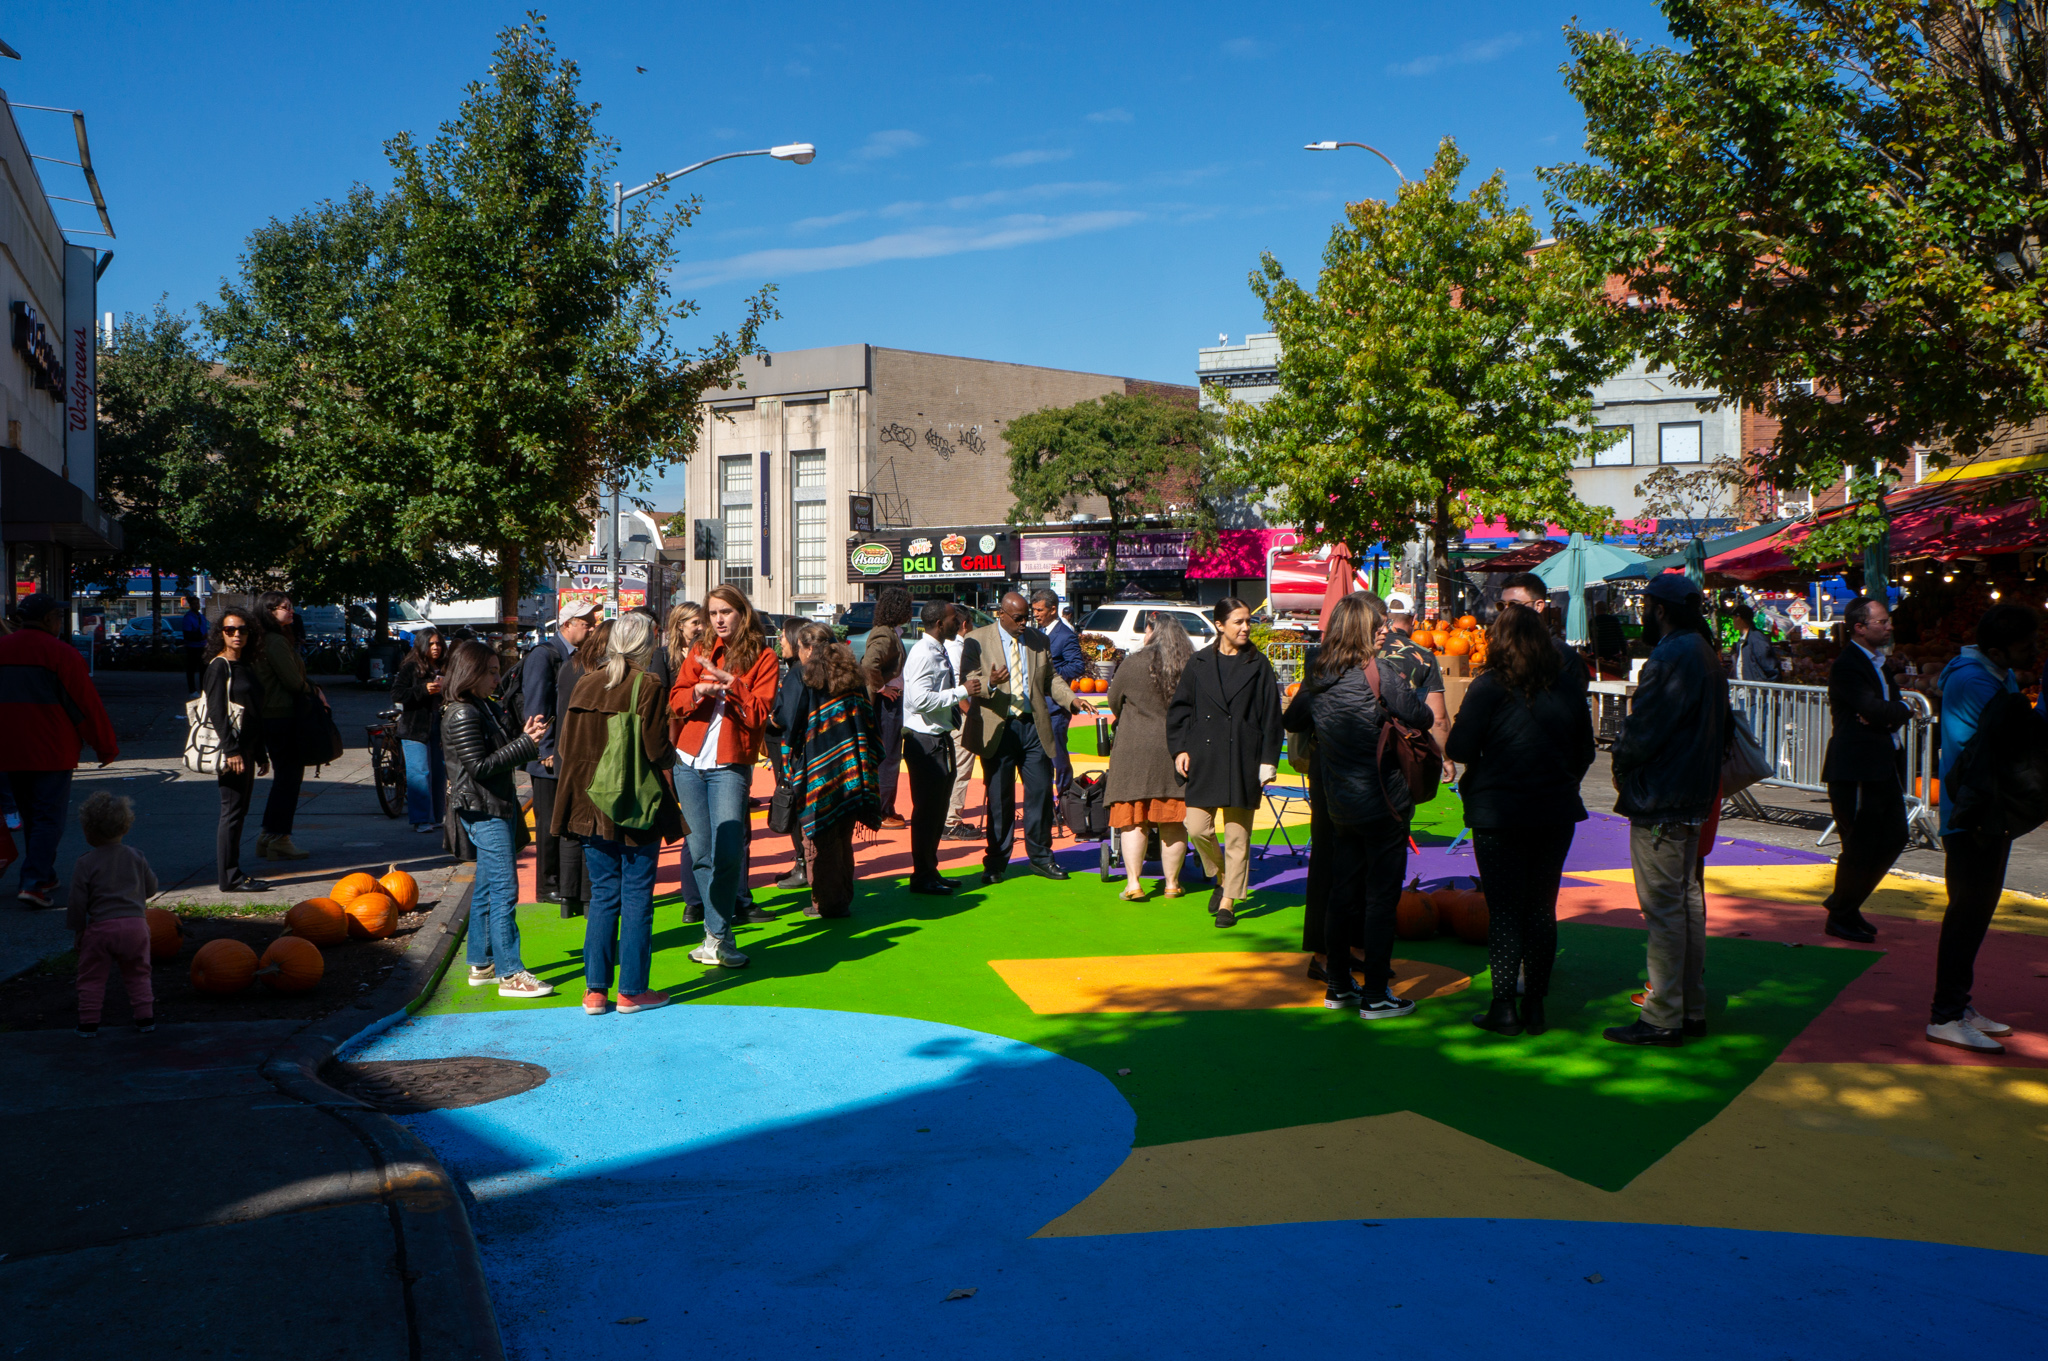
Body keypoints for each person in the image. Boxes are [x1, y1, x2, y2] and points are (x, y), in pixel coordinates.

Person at [1445, 602, 1595, 1036]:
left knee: (1506, 910)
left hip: (1499, 811)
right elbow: (1585, 752)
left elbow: (1459, 749)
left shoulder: (1489, 687)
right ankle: (1536, 1004)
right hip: (1553, 809)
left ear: (1498, 642)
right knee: (1541, 907)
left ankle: (1503, 1004)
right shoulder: (1566, 688)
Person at [1282, 595, 1435, 1015]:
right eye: (1378, 624)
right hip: (1384, 799)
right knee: (1381, 897)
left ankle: (1338, 984)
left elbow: (1293, 721)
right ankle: (1375, 993)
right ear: (1364, 630)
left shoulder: (1318, 674)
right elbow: (1421, 716)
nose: (1384, 630)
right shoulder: (1381, 673)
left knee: (1341, 892)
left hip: (1338, 800)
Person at [1604, 572, 1728, 1046]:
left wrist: (1621, 761)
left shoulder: (1673, 655)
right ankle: (1687, 1006)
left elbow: (1644, 731)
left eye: (1646, 606)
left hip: (1664, 798)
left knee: (1664, 911)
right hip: (1693, 795)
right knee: (1685, 905)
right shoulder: (1703, 651)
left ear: (1658, 608)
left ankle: (1662, 1014)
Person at [554, 611, 686, 1015]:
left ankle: (595, 991)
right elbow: (656, 750)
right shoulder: (648, 684)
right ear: (644, 645)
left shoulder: (586, 681)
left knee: (603, 896)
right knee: (636, 897)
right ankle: (631, 989)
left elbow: (564, 748)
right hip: (631, 805)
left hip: (586, 804)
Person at [1925, 603, 2040, 1053]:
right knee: (1967, 913)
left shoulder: (1990, 673)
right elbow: (2020, 736)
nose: (2033, 651)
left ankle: (1957, 1005)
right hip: (1972, 814)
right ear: (1997, 649)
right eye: (2025, 645)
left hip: (1984, 812)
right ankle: (1945, 1014)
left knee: (1974, 912)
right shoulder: (1976, 679)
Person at [670, 584, 782, 968]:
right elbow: (676, 700)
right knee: (701, 852)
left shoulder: (765, 657)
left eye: (725, 612)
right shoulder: (699, 650)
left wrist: (732, 683)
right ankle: (717, 934)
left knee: (729, 851)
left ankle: (718, 933)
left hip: (730, 764)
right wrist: (698, 690)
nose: (718, 619)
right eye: (713, 612)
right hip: (688, 761)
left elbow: (758, 714)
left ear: (742, 613)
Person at [441, 640, 554, 999]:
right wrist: (526, 744)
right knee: (504, 889)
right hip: (484, 808)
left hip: (491, 805)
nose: (496, 678)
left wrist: (524, 737)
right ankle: (510, 973)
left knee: (490, 887)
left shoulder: (478, 706)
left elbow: (492, 754)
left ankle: (482, 962)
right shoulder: (462, 712)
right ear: (470, 672)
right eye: (490, 671)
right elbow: (480, 766)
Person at [1169, 596, 1283, 928]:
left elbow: (1271, 717)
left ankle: (1229, 902)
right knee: (1197, 827)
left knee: (1237, 837)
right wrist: (1180, 750)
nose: (1246, 627)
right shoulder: (1199, 662)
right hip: (1204, 757)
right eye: (1239, 622)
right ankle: (1220, 874)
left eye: (1249, 621)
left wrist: (1268, 761)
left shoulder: (1258, 664)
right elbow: (1180, 710)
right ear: (1220, 625)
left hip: (1244, 758)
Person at [1, 593, 119, 908]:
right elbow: (85, 706)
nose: (60, 622)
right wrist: (105, 747)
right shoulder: (61, 654)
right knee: (47, 817)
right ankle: (34, 881)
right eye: (59, 617)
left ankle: (44, 873)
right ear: (50, 619)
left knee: (31, 813)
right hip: (51, 748)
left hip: (9, 749)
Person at [961, 590, 1082, 885]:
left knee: (1040, 794)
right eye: (1017, 618)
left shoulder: (1038, 640)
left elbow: (1051, 678)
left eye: (1026, 617)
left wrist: (1071, 700)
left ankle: (1041, 858)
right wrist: (989, 682)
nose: (1024, 623)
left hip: (1033, 727)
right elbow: (967, 679)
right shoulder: (976, 639)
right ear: (1000, 614)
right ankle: (996, 862)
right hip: (998, 729)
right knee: (1000, 800)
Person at [1818, 595, 1910, 944]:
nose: (1888, 627)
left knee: (1895, 836)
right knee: (1859, 842)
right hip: (1855, 767)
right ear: (1859, 627)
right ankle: (1841, 912)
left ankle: (1847, 904)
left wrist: (1888, 714)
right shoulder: (1848, 665)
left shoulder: (1879, 663)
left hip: (1882, 763)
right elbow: (1874, 708)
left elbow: (1887, 707)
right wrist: (1892, 713)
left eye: (1887, 621)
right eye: (1881, 622)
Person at [783, 627, 883, 917]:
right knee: (842, 837)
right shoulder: (853, 675)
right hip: (853, 768)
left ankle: (826, 903)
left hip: (819, 771)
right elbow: (868, 719)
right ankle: (842, 899)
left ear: (806, 648)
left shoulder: (805, 677)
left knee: (819, 840)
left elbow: (788, 719)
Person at [1104, 613, 1193, 901]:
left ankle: (1133, 883)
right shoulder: (1188, 663)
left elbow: (1114, 700)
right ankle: (1172, 883)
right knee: (1173, 819)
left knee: (1132, 818)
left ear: (1151, 631)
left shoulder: (1132, 663)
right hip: (1175, 749)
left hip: (1134, 749)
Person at [522, 601, 597, 899]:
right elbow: (536, 707)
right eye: (586, 622)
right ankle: (547, 885)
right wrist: (545, 750)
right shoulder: (544, 656)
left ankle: (561, 882)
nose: (591, 627)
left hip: (564, 755)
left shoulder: (574, 656)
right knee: (548, 823)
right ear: (567, 624)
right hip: (548, 758)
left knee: (562, 821)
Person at [66, 792, 157, 1037]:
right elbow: (151, 888)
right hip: (136, 927)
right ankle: (145, 1018)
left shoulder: (85, 863)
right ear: (125, 827)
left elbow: (77, 901)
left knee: (91, 977)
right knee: (138, 972)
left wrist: (78, 929)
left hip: (100, 929)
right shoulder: (136, 856)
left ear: (88, 831)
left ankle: (88, 1023)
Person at [901, 601, 972, 894]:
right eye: (954, 619)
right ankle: (922, 875)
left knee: (938, 810)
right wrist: (962, 692)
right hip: (924, 742)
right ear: (940, 623)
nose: (959, 623)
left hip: (938, 737)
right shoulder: (923, 653)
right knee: (927, 812)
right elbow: (918, 699)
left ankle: (930, 870)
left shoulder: (938, 648)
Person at [202, 607, 271, 893]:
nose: (237, 635)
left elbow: (253, 712)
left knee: (239, 811)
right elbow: (217, 712)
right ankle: (229, 877)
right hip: (233, 751)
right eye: (230, 630)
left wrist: (260, 752)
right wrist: (232, 751)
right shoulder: (220, 666)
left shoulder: (245, 665)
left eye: (242, 629)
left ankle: (234, 872)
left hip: (248, 748)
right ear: (221, 634)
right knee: (231, 811)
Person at [550, 618, 611, 920]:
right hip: (590, 758)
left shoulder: (570, 666)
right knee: (591, 828)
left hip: (566, 754)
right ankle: (587, 898)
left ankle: (568, 897)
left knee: (571, 829)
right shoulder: (597, 672)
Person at [249, 591, 312, 862]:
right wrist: (314, 690)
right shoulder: (274, 641)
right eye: (285, 607)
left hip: (273, 715)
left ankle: (269, 836)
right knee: (289, 779)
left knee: (284, 779)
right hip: (282, 715)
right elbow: (293, 681)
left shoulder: (268, 639)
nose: (291, 611)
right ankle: (279, 838)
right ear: (269, 610)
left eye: (291, 605)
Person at [764, 617, 813, 889]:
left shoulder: (796, 672)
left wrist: (770, 718)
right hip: (800, 748)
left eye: (783, 636)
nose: (780, 641)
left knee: (791, 804)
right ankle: (803, 863)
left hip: (789, 749)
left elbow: (788, 717)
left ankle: (803, 864)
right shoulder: (804, 669)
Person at [863, 586, 914, 830]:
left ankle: (884, 808)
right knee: (889, 757)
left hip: (887, 702)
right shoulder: (885, 635)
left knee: (888, 756)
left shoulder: (888, 632)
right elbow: (869, 664)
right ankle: (883, 811)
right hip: (886, 704)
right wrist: (882, 688)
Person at [391, 628, 450, 834]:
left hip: (439, 726)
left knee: (439, 773)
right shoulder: (411, 667)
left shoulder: (445, 667)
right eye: (431, 644)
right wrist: (423, 690)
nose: (436, 648)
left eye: (439, 644)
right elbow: (397, 694)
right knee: (420, 773)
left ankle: (436, 816)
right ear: (422, 645)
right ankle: (421, 819)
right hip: (415, 727)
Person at [1032, 589, 1089, 799]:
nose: (1036, 614)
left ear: (1053, 609)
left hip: (1056, 707)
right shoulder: (1037, 634)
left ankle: (1065, 799)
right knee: (1038, 758)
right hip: (1037, 706)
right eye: (1034, 610)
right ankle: (1044, 801)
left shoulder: (1065, 636)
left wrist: (1050, 677)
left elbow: (1077, 666)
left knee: (1058, 758)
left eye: (1040, 610)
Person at [1379, 603, 1452, 763]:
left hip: (1368, 743)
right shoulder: (1424, 656)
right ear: (1414, 620)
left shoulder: (1367, 650)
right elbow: (1438, 719)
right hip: (1407, 746)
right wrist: (1446, 759)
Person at [1498, 572, 1591, 691]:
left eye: (1513, 605)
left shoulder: (1565, 657)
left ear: (1538, 606)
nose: (1506, 612)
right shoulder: (1499, 652)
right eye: (1501, 606)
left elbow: (1574, 705)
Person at [943, 620, 980, 841]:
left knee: (952, 767)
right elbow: (959, 687)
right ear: (965, 624)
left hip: (945, 716)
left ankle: (947, 818)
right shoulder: (958, 648)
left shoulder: (944, 646)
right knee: (961, 768)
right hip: (959, 715)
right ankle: (951, 821)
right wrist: (970, 714)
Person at [1734, 610, 1782, 682]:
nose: (1733, 621)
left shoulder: (1756, 638)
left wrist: (1767, 689)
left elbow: (1770, 667)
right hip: (1746, 688)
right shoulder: (1742, 640)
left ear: (1739, 619)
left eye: (1734, 618)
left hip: (1756, 690)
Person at [1592, 597, 1629, 678]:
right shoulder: (1614, 620)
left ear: (1596, 609)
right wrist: (1624, 653)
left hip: (1599, 654)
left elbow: (1590, 639)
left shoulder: (1593, 622)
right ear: (1606, 609)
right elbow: (1620, 637)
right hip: (1614, 653)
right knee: (1614, 675)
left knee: (1600, 675)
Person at [178, 596, 207, 694]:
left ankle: (203, 689)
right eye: (194, 604)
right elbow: (187, 634)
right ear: (190, 605)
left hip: (202, 646)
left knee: (204, 669)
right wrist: (199, 637)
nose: (196, 606)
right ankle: (192, 689)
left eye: (197, 603)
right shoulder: (188, 617)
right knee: (192, 669)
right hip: (192, 647)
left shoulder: (201, 617)